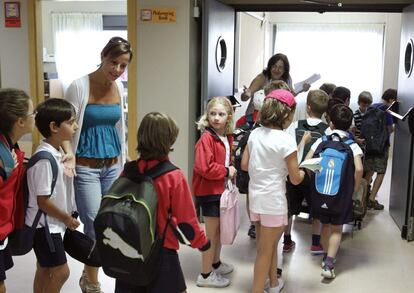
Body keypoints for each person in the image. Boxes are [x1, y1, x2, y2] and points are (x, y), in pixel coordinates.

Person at [62, 36, 133, 292]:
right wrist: (68, 154)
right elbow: (65, 127)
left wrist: (125, 160)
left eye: (123, 65)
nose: (117, 70)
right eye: (113, 62)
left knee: (110, 222)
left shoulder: (118, 88)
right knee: (93, 223)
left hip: (112, 165)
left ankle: (87, 272)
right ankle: (92, 282)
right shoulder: (79, 86)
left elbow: (118, 126)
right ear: (103, 56)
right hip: (86, 167)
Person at [114, 112, 210, 293]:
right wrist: (202, 243)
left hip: (128, 249)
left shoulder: (128, 171)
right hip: (161, 252)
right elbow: (186, 221)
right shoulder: (173, 176)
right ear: (169, 141)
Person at [241, 89, 305, 293]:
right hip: (274, 202)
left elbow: (244, 165)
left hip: (256, 199)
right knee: (264, 251)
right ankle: (257, 290)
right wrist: (304, 171)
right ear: (286, 114)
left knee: (267, 245)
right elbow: (295, 179)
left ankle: (274, 284)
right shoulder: (286, 140)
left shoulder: (255, 134)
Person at [25, 98, 80, 293]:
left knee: (45, 267)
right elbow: (43, 201)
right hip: (46, 227)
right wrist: (66, 218)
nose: (75, 126)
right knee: (61, 272)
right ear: (54, 127)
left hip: (51, 225)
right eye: (71, 122)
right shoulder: (44, 160)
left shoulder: (56, 153)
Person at [305, 104, 363, 279]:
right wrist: (354, 188)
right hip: (341, 194)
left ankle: (324, 254)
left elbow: (307, 161)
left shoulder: (321, 140)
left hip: (320, 192)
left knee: (325, 225)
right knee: (337, 229)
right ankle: (329, 263)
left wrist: (313, 179)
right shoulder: (352, 145)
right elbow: (359, 169)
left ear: (330, 121)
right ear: (350, 124)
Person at [193, 97, 236, 288]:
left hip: (220, 190)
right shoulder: (206, 139)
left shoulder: (226, 137)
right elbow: (204, 167)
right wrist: (226, 171)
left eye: (221, 114)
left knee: (218, 230)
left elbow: (226, 159)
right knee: (211, 234)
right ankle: (205, 274)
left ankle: (215, 263)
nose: (216, 118)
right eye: (212, 114)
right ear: (207, 115)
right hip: (209, 192)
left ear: (228, 117)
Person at [285, 89, 329, 255]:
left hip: (293, 172)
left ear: (308, 107)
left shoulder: (295, 125)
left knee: (290, 208)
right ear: (324, 110)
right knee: (316, 209)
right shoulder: (328, 130)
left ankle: (287, 241)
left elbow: (288, 147)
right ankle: (316, 243)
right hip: (315, 176)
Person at [0, 88, 35, 293]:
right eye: (32, 114)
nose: (34, 117)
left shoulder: (11, 146)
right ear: (20, 122)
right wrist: (6, 171)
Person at [241, 53, 310, 120]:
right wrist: (246, 94)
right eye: (274, 66)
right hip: (255, 117)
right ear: (270, 67)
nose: (276, 70)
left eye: (280, 67)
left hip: (274, 118)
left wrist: (302, 90)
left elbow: (290, 95)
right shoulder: (262, 77)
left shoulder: (287, 79)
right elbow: (245, 97)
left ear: (285, 70)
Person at [364, 88, 397, 210]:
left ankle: (362, 197)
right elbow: (390, 129)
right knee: (381, 172)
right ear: (391, 99)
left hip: (369, 144)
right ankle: (372, 200)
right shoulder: (387, 110)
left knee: (369, 170)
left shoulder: (372, 106)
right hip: (382, 146)